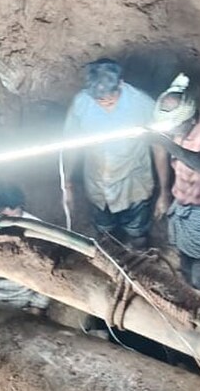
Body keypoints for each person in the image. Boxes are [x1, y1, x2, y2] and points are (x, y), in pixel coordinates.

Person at [62, 58, 170, 251]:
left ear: (121, 83)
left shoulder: (142, 104)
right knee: (106, 232)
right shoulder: (82, 103)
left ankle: (138, 258)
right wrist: (67, 182)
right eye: (99, 100)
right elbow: (70, 145)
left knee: (137, 232)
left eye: (109, 98)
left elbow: (159, 147)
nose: (104, 103)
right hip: (98, 186)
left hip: (134, 184)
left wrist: (164, 191)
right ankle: (112, 258)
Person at [145, 74, 200, 294]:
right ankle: (188, 297)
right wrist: (164, 194)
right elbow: (164, 148)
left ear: (191, 119)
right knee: (185, 262)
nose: (171, 132)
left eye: (174, 127)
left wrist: (167, 143)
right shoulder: (180, 128)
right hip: (184, 204)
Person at [0, 183, 52, 313]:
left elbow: (48, 273)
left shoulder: (38, 231)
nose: (6, 223)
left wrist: (37, 306)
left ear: (20, 206)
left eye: (12, 217)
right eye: (1, 216)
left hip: (21, 302)